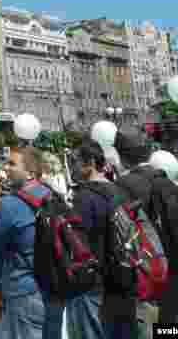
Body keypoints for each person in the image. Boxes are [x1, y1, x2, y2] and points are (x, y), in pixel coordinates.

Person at [113, 131, 178, 327]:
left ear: (121, 156)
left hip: (144, 274)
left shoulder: (121, 187)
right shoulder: (166, 181)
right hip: (173, 269)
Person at [0, 147, 51, 339]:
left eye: (12, 164)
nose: (6, 168)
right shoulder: (51, 195)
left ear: (30, 173)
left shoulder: (9, 205)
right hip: (52, 287)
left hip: (23, 291)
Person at [69, 140, 131, 339]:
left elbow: (78, 242)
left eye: (75, 161)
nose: (72, 166)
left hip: (95, 283)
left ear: (90, 163)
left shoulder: (83, 197)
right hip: (124, 276)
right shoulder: (119, 190)